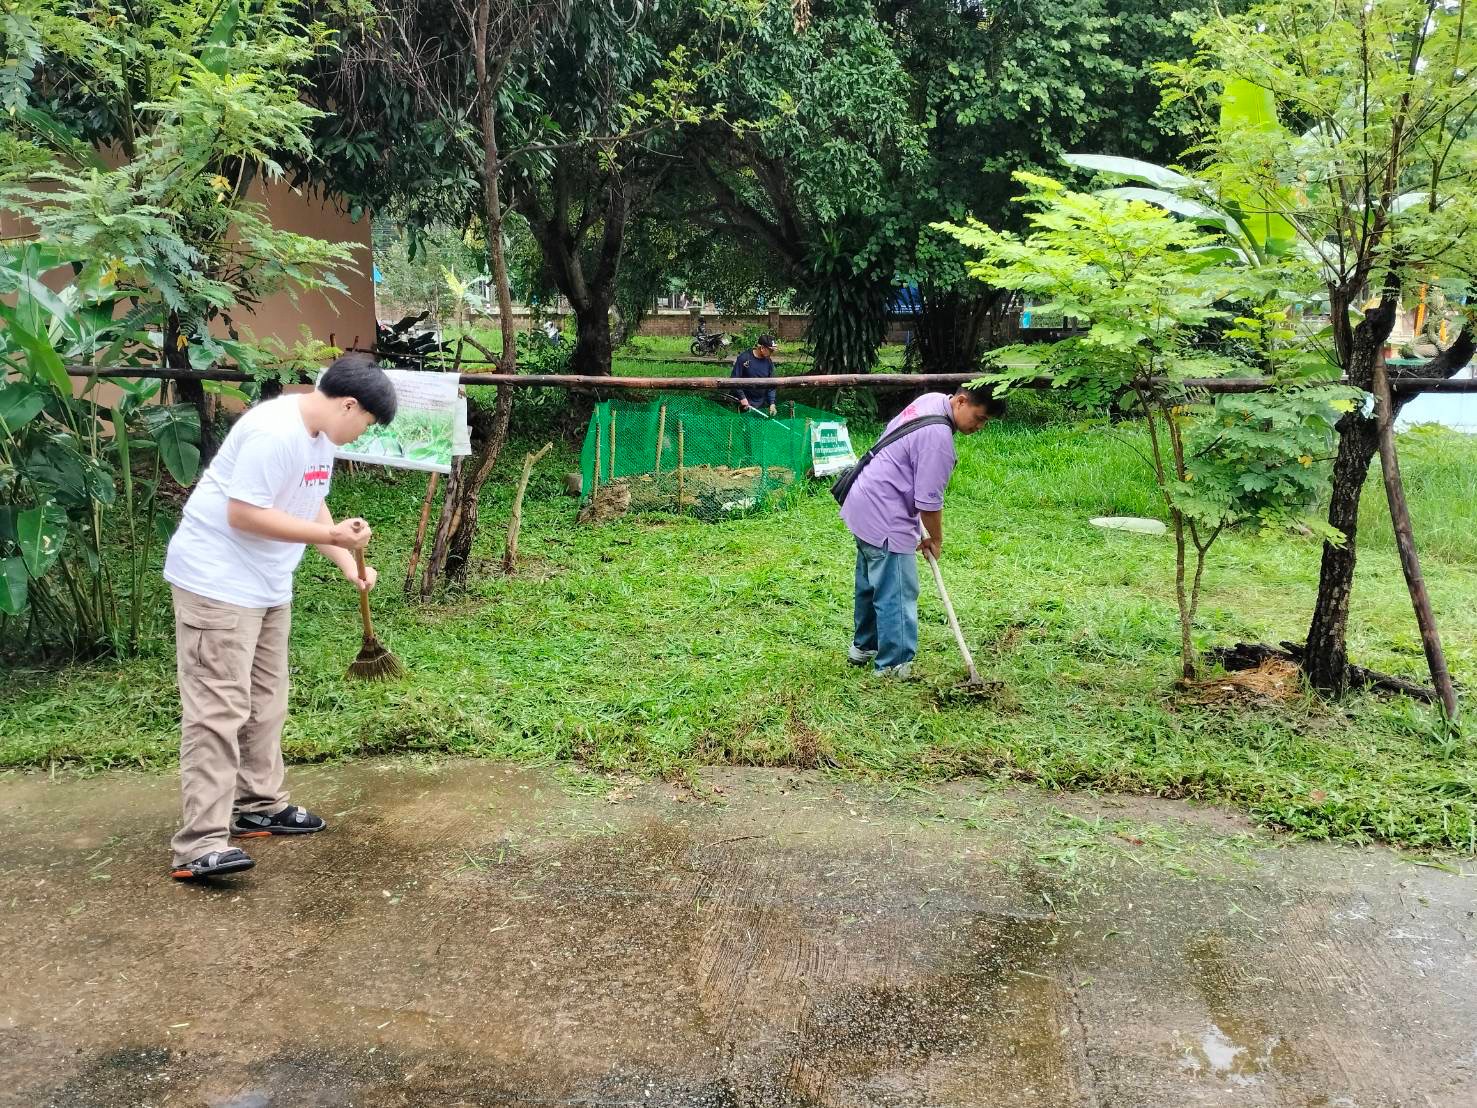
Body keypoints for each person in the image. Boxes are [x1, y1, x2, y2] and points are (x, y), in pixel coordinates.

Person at [162, 353, 398, 880]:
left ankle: (258, 805)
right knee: (218, 709)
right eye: (366, 423)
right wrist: (332, 537)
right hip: (217, 582)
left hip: (268, 584)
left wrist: (346, 561)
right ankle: (199, 845)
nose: (362, 434)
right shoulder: (274, 430)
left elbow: (308, 501)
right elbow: (243, 513)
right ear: (349, 404)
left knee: (266, 699)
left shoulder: (318, 439)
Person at [840, 385, 1003, 678]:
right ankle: (894, 664)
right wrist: (935, 538)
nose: (979, 427)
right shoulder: (939, 439)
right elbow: (928, 502)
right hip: (885, 513)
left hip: (863, 499)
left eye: (985, 423)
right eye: (979, 418)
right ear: (962, 401)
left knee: (870, 581)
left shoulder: (933, 400)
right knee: (896, 590)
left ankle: (863, 646)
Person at [730, 333, 778, 416]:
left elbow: (771, 385)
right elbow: (734, 380)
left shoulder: (769, 362)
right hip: (745, 403)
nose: (772, 353)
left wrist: (772, 403)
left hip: (761, 404)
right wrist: (742, 398)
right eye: (770, 350)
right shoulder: (744, 358)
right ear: (762, 348)